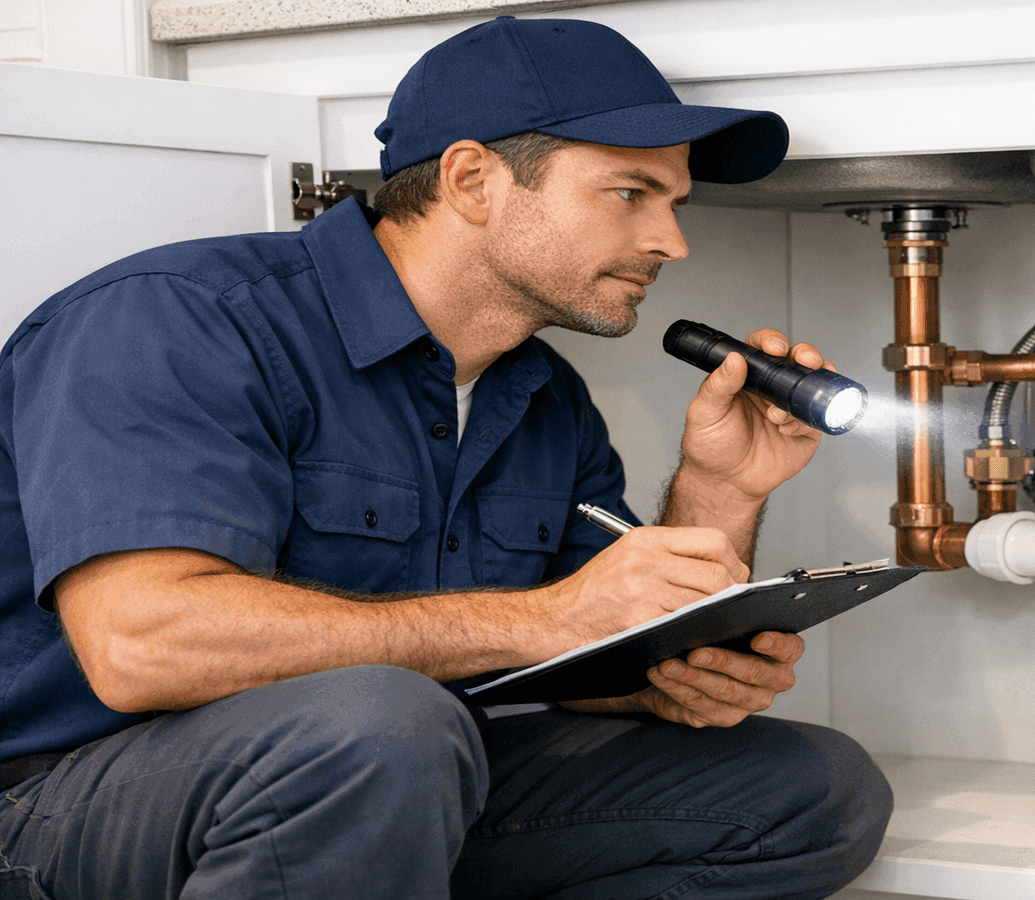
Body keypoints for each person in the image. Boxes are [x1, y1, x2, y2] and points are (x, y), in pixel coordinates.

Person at [0, 16, 891, 900]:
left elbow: (600, 651)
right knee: (383, 724)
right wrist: (543, 620)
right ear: (473, 179)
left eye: (675, 204)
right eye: (630, 193)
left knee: (810, 788)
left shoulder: (544, 398)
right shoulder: (176, 319)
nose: (672, 241)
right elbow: (139, 644)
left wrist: (721, 492)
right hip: (63, 805)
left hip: (392, 781)